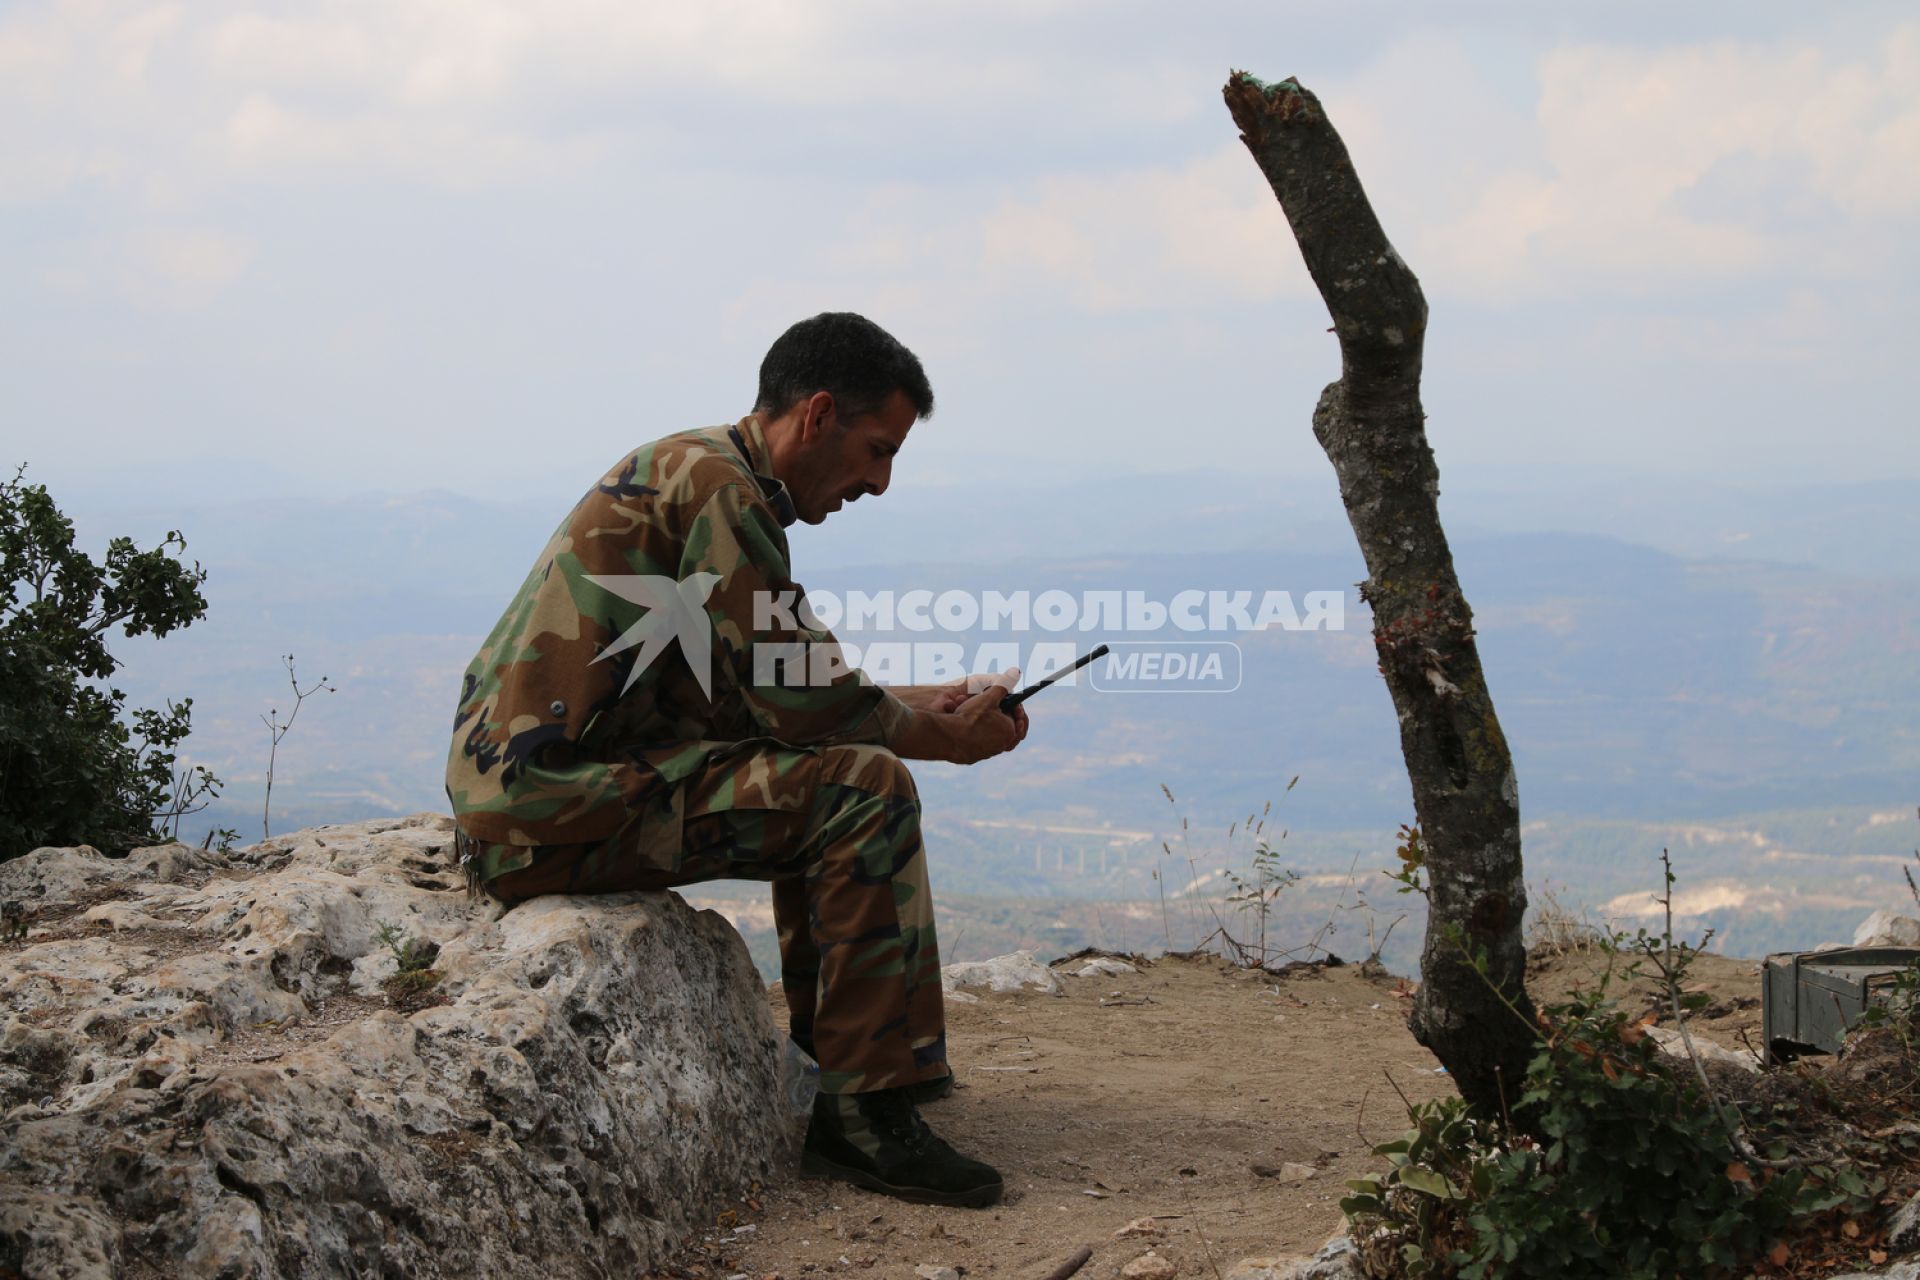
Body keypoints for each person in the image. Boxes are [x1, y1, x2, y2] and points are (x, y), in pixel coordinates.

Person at [444, 312, 1026, 1208]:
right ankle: (862, 1116)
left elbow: (785, 682)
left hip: (549, 792)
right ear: (819, 413)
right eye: (878, 450)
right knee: (862, 790)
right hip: (546, 811)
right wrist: (936, 738)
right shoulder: (721, 492)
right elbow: (800, 700)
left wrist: (931, 701)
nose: (880, 482)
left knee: (839, 771)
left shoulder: (701, 469)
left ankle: (855, 1070)